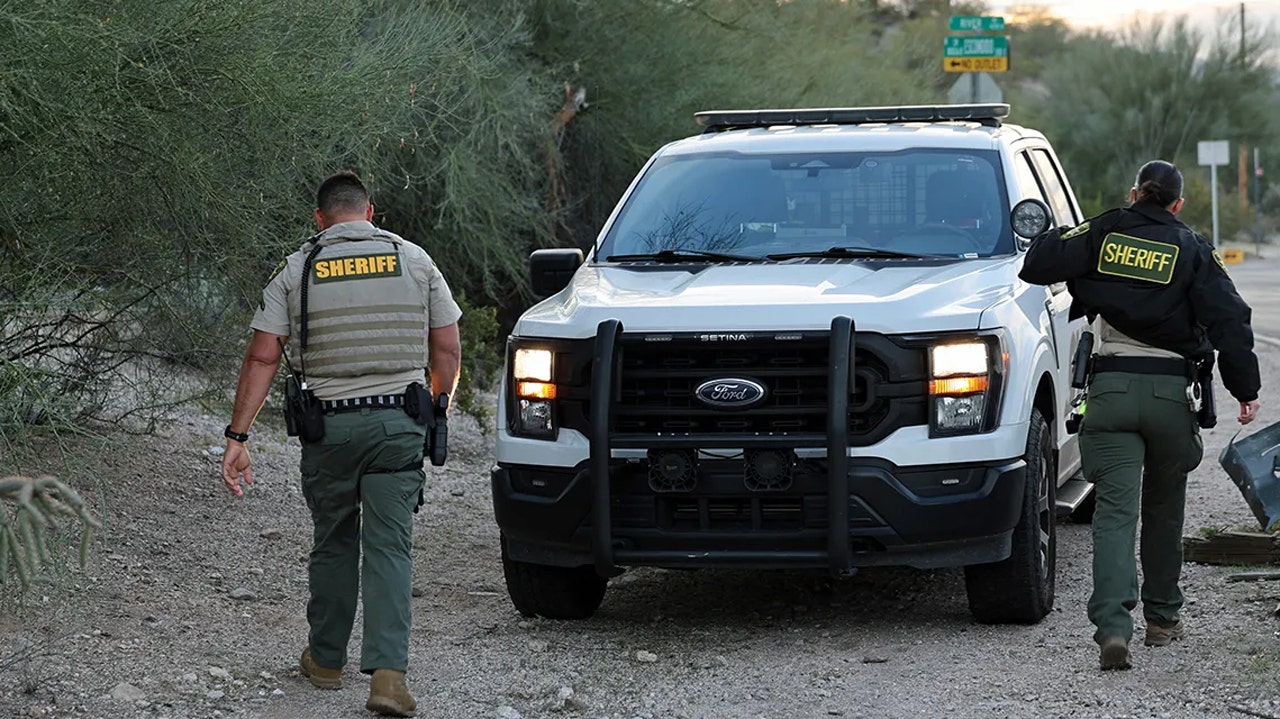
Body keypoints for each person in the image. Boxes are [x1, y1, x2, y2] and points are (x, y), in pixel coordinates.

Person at [220, 171, 462, 716]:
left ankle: (327, 660)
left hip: (328, 429)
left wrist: (238, 436)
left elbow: (262, 355)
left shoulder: (297, 268)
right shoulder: (414, 260)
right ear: (370, 213)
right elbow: (447, 347)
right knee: (390, 545)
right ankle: (389, 679)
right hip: (398, 425)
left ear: (320, 218)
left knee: (333, 540)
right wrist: (438, 407)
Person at [1019, 160, 1261, 672]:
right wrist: (1246, 390)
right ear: (1177, 204)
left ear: (1134, 194)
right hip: (1172, 397)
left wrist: (1074, 234)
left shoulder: (1104, 230)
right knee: (1164, 510)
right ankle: (1162, 620)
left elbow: (1037, 263)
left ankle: (1112, 628)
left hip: (1110, 391)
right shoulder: (1191, 246)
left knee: (1114, 513)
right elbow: (1231, 319)